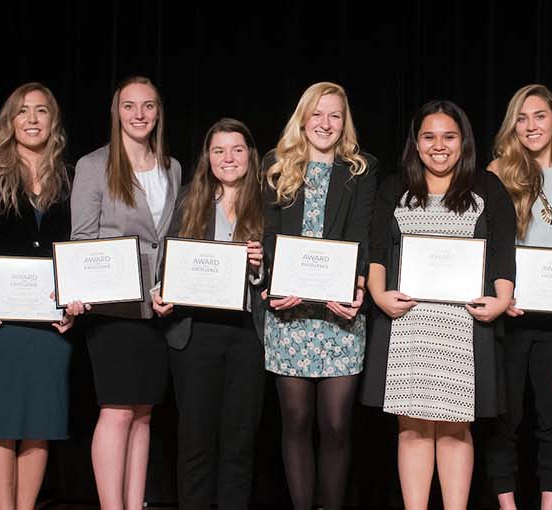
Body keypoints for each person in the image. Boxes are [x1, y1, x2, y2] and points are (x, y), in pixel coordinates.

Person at [363, 100, 516, 510]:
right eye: (429, 137)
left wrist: (501, 300)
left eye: (449, 137)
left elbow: (502, 251)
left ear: (463, 141)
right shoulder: (395, 188)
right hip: (408, 322)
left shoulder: (486, 187)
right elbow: (376, 250)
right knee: (411, 427)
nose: (439, 146)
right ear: (415, 143)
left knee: (455, 427)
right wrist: (379, 295)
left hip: (463, 324)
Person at [0, 82, 77, 510]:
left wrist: (74, 303)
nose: (31, 119)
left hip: (51, 321)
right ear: (9, 121)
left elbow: (77, 252)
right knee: (2, 424)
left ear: (53, 121)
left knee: (39, 424)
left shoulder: (71, 177)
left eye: (41, 111)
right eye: (22, 111)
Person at [260, 82, 376, 510]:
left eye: (335, 115)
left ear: (345, 123)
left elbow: (362, 234)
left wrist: (358, 284)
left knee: (336, 423)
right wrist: (275, 281)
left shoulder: (361, 169)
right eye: (318, 114)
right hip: (289, 313)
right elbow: (269, 234)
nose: (325, 124)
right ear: (303, 117)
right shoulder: (276, 165)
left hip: (340, 312)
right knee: (295, 420)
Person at [70, 76, 182, 510]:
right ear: (116, 111)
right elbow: (82, 238)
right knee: (116, 411)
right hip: (112, 308)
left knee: (143, 413)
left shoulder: (172, 166)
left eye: (148, 106)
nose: (139, 114)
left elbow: (169, 239)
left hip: (158, 309)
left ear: (158, 112)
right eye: (130, 106)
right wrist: (78, 290)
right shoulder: (94, 164)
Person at [153, 118, 267, 510]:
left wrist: (263, 263)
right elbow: (167, 260)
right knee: (195, 442)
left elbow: (282, 272)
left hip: (248, 335)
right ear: (208, 157)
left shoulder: (268, 202)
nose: (228, 158)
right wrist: (160, 291)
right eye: (219, 150)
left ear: (251, 156)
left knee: (239, 443)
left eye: (237, 150)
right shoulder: (189, 198)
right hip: (194, 332)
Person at [484, 84, 552, 510]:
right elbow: (485, 245)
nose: (530, 126)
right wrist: (501, 293)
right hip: (510, 314)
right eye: (521, 118)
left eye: (540, 116)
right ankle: (507, 506)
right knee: (506, 418)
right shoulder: (497, 172)